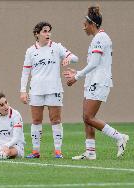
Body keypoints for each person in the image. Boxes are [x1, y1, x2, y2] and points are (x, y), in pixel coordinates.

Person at [64, 6, 129, 160]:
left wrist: (77, 76)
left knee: (88, 117)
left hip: (99, 81)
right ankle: (90, 152)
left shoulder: (101, 38)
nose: (83, 27)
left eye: (85, 24)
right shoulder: (97, 38)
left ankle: (119, 137)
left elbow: (94, 63)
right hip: (92, 80)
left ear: (92, 23)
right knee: (86, 117)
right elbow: (94, 64)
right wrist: (78, 72)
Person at [20, 21, 78, 158]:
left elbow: (75, 57)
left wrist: (68, 59)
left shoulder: (57, 47)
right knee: (36, 120)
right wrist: (23, 90)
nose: (48, 34)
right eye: (45, 31)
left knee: (56, 120)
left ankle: (58, 151)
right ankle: (35, 151)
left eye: (49, 31)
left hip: (54, 89)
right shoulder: (30, 51)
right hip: (36, 90)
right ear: (37, 34)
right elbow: (25, 72)